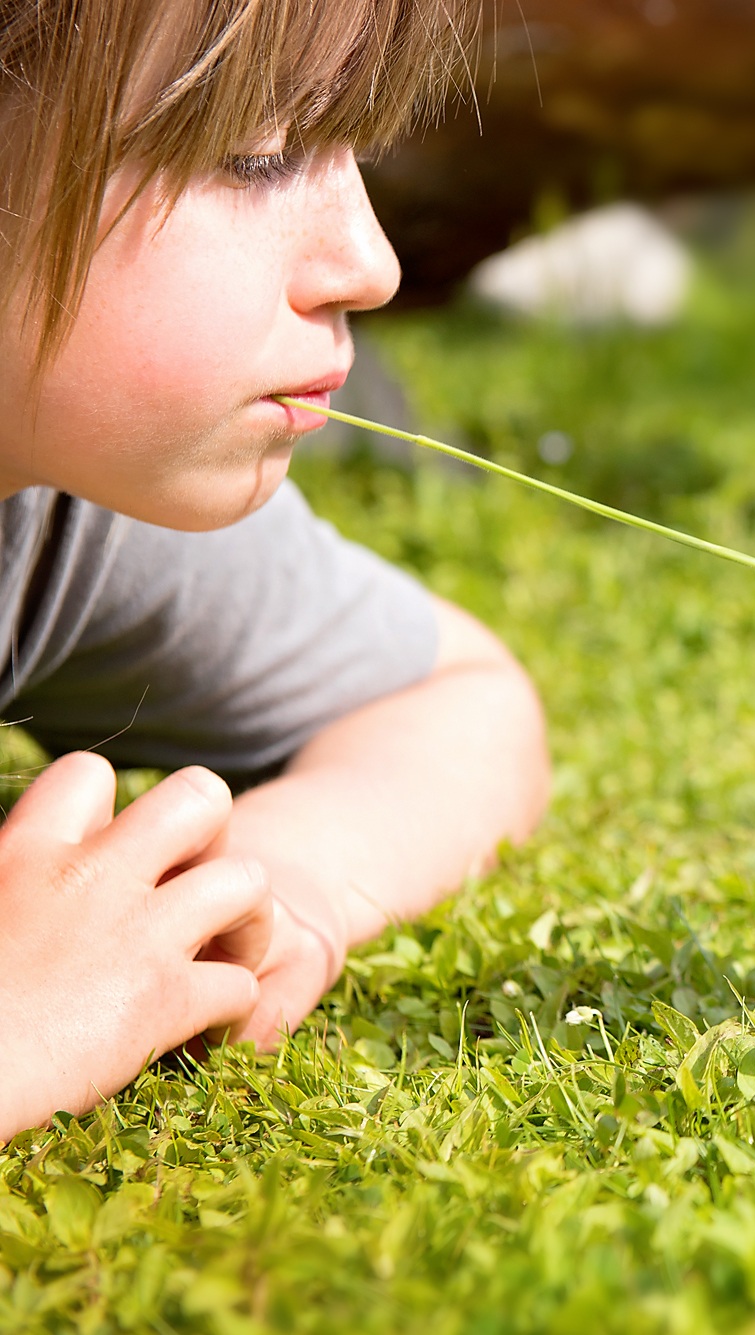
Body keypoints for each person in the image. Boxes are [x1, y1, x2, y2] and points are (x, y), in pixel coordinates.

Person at [0, 0, 549, 1137]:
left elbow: (453, 699)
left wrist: (264, 884)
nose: (372, 265)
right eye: (253, 155)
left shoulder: (61, 507)